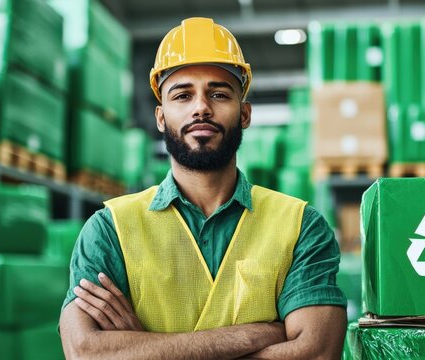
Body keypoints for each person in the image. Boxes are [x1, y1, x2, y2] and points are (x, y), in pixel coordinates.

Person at [59, 17, 347, 359]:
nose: (201, 108)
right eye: (182, 95)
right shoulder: (110, 229)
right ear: (161, 117)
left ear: (244, 114)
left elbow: (316, 353)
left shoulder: (300, 225)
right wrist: (258, 334)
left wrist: (145, 348)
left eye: (219, 93)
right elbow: (87, 353)